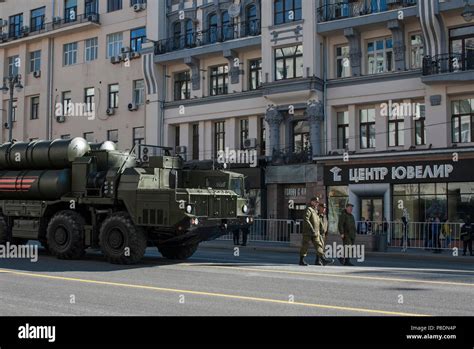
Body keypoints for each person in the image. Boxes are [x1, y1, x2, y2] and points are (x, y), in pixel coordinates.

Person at [299, 197, 332, 266]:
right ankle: (301, 260)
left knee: (319, 245)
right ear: (312, 202)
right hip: (308, 232)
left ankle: (323, 259)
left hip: (315, 232)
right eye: (315, 202)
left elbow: (318, 221)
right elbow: (306, 219)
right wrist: (311, 228)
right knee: (305, 245)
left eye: (317, 202)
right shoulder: (309, 209)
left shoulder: (315, 211)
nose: (317, 203)